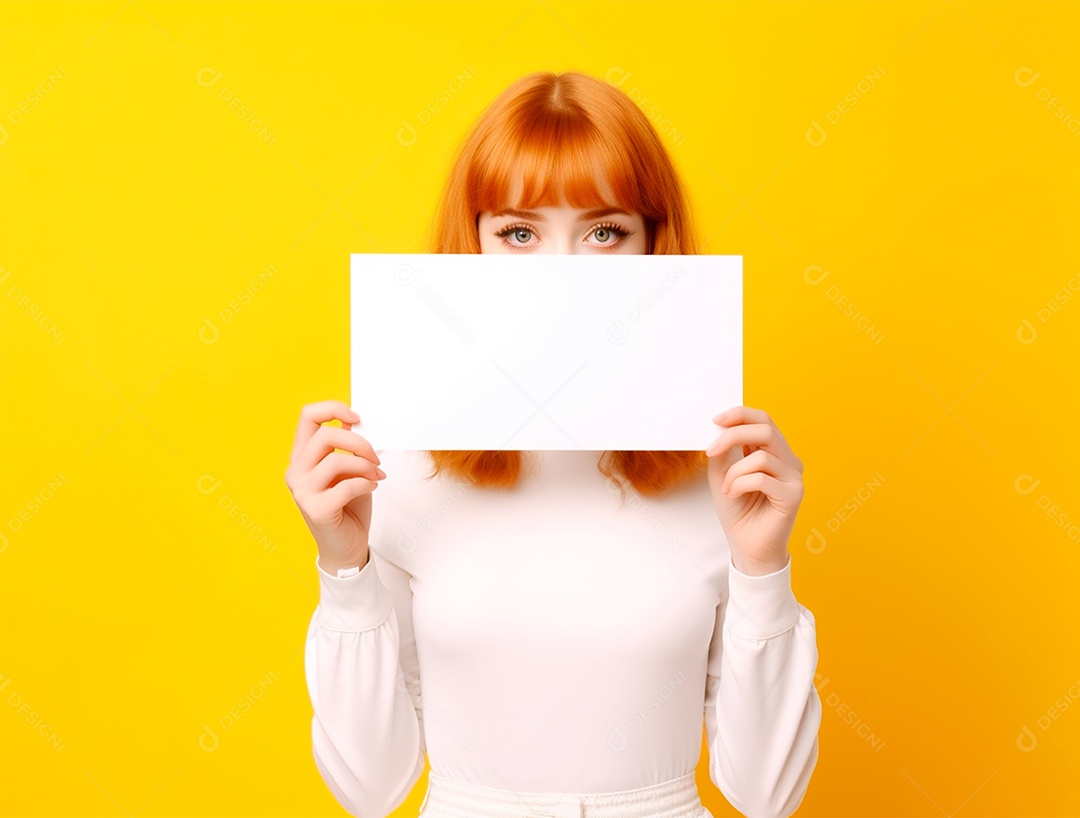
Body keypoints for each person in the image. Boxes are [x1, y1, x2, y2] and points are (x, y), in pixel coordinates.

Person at [287, 70, 821, 818]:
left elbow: (767, 794)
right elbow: (369, 789)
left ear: (652, 248)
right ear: (470, 246)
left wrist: (763, 569)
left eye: (603, 232)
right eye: (519, 233)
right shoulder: (397, 471)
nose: (563, 271)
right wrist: (344, 570)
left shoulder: (723, 482)